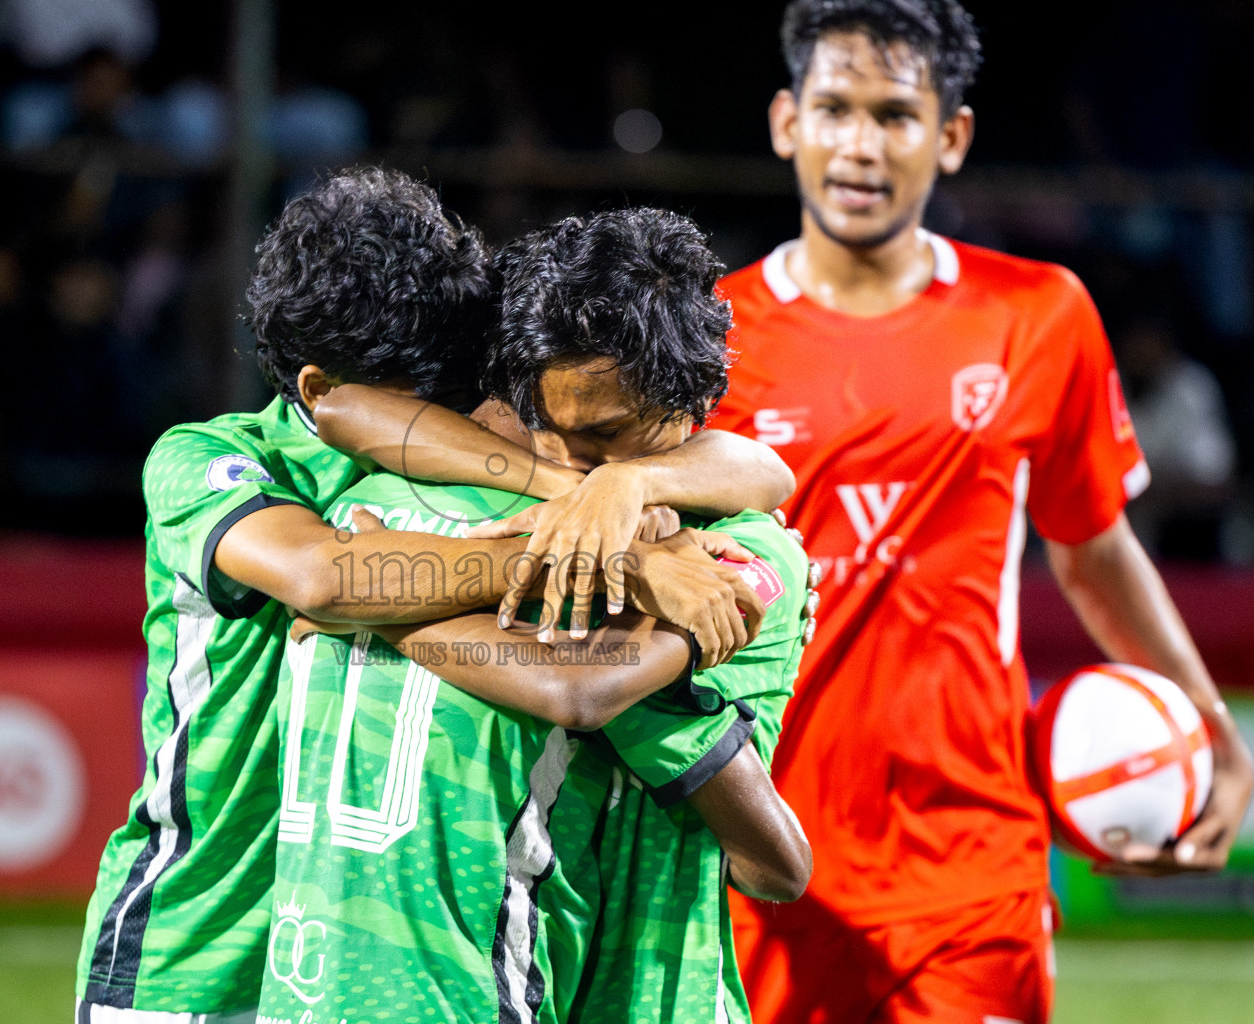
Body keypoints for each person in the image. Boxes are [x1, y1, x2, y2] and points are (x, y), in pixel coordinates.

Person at [75, 168, 790, 1021]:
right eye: (435, 397)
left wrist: (618, 490)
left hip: (337, 956)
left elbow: (763, 469)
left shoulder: (466, 470)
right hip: (188, 948)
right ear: (318, 390)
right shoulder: (210, 461)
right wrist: (617, 554)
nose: (470, 414)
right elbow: (324, 577)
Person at [705, 3, 1254, 1022]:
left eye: (895, 115)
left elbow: (1094, 552)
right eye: (834, 109)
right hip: (757, 852)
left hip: (971, 863)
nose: (861, 145)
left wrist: (1211, 728)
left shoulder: (1039, 314)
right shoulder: (708, 340)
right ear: (787, 122)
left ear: (950, 136)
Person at [256, 209, 811, 1024]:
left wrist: (363, 609)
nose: (569, 459)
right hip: (534, 974)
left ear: (690, 404)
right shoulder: (485, 500)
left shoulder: (737, 553)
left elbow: (584, 694)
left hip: (656, 985)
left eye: (606, 438)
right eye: (548, 430)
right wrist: (599, 493)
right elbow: (347, 408)